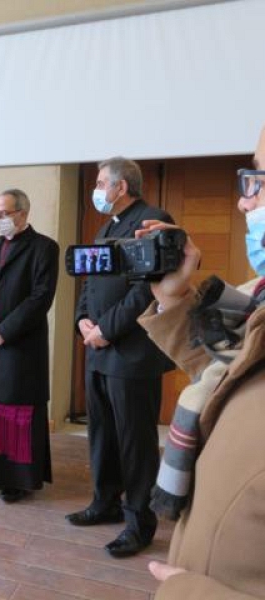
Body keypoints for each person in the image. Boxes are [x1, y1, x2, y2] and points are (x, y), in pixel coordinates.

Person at [140, 128, 265, 599]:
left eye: (258, 179)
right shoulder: (258, 298)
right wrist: (175, 299)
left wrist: (192, 592)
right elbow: (231, 380)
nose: (244, 202)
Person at [66, 157, 175, 557]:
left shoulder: (152, 220)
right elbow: (90, 283)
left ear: (121, 186)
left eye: (100, 182)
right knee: (102, 435)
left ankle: (139, 523)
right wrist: (82, 320)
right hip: (97, 352)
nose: (97, 190)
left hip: (131, 354)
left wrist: (106, 330)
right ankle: (104, 502)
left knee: (135, 442)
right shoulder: (105, 228)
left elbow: (145, 289)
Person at [0, 189, 59, 503]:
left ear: (23, 213)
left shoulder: (44, 247)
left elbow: (40, 298)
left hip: (20, 345)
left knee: (15, 411)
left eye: (5, 214)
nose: (0, 220)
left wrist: (4, 330)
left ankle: (17, 480)